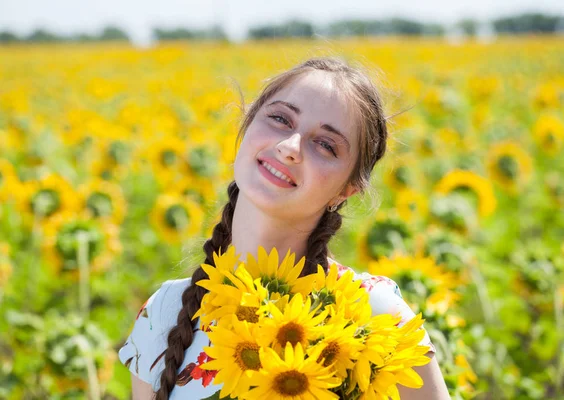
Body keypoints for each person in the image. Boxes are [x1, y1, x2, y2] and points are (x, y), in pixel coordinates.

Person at [118, 56, 451, 399]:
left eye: (325, 144)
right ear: (246, 127)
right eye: (279, 119)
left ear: (346, 190)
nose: (290, 147)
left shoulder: (375, 316)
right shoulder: (164, 312)